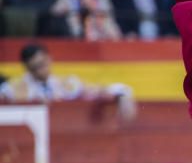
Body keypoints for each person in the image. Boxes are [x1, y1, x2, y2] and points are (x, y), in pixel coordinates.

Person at [0, 43, 137, 121]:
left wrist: (122, 94)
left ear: (50, 59)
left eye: (43, 64)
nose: (41, 70)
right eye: (35, 67)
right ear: (27, 67)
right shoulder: (12, 89)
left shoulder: (68, 84)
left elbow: (103, 90)